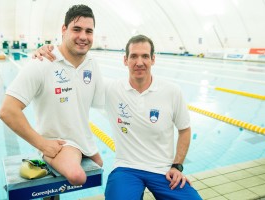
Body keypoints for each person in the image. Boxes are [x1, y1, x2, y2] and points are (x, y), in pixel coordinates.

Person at [34, 35, 202, 199]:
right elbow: (74, 77)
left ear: (153, 59)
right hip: (126, 169)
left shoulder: (171, 91)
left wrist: (177, 166)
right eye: (134, 56)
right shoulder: (111, 89)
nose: (139, 62)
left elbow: (184, 130)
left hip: (164, 171)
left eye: (145, 56)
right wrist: (51, 51)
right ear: (125, 60)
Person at [0, 4, 104, 187]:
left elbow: (105, 101)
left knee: (99, 165)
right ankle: (47, 156)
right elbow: (7, 111)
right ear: (64, 30)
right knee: (78, 177)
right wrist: (42, 144)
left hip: (83, 138)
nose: (83, 37)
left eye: (89, 31)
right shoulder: (41, 63)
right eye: (76, 29)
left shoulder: (91, 64)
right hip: (61, 143)